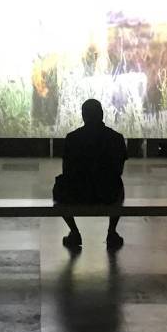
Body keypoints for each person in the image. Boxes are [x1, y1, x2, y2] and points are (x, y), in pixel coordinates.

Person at [53, 99, 128, 248]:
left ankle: (74, 232)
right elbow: (118, 170)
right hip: (108, 194)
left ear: (83, 116)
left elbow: (67, 171)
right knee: (117, 184)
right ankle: (111, 232)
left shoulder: (72, 138)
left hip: (78, 194)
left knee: (59, 188)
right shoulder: (116, 138)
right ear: (102, 114)